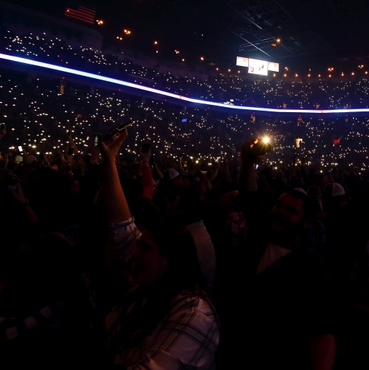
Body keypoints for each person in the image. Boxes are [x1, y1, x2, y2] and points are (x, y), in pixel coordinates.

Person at [99, 127, 220, 369]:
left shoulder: (192, 315)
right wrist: (109, 160)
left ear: (170, 257)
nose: (133, 252)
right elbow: (121, 224)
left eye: (144, 248)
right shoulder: (153, 281)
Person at [217, 137, 336, 370]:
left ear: (305, 222)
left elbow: (321, 328)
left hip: (270, 355)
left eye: (290, 210)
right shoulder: (263, 228)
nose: (279, 212)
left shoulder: (311, 267)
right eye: (279, 205)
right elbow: (249, 193)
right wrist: (248, 162)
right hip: (229, 341)